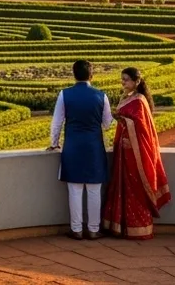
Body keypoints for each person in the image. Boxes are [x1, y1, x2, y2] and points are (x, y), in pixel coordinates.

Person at [47, 60, 113, 240]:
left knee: (74, 190)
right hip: (94, 147)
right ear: (91, 75)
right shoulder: (101, 96)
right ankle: (93, 229)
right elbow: (107, 123)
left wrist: (54, 143)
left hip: (73, 147)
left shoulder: (64, 95)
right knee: (94, 190)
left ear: (73, 74)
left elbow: (57, 122)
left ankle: (76, 229)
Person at [102, 67, 170, 239]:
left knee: (135, 188)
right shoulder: (127, 98)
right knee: (122, 188)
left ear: (137, 82)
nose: (123, 82)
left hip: (135, 153)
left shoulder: (139, 101)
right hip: (123, 153)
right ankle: (121, 226)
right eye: (122, 79)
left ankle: (139, 228)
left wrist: (122, 120)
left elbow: (142, 129)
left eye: (126, 79)